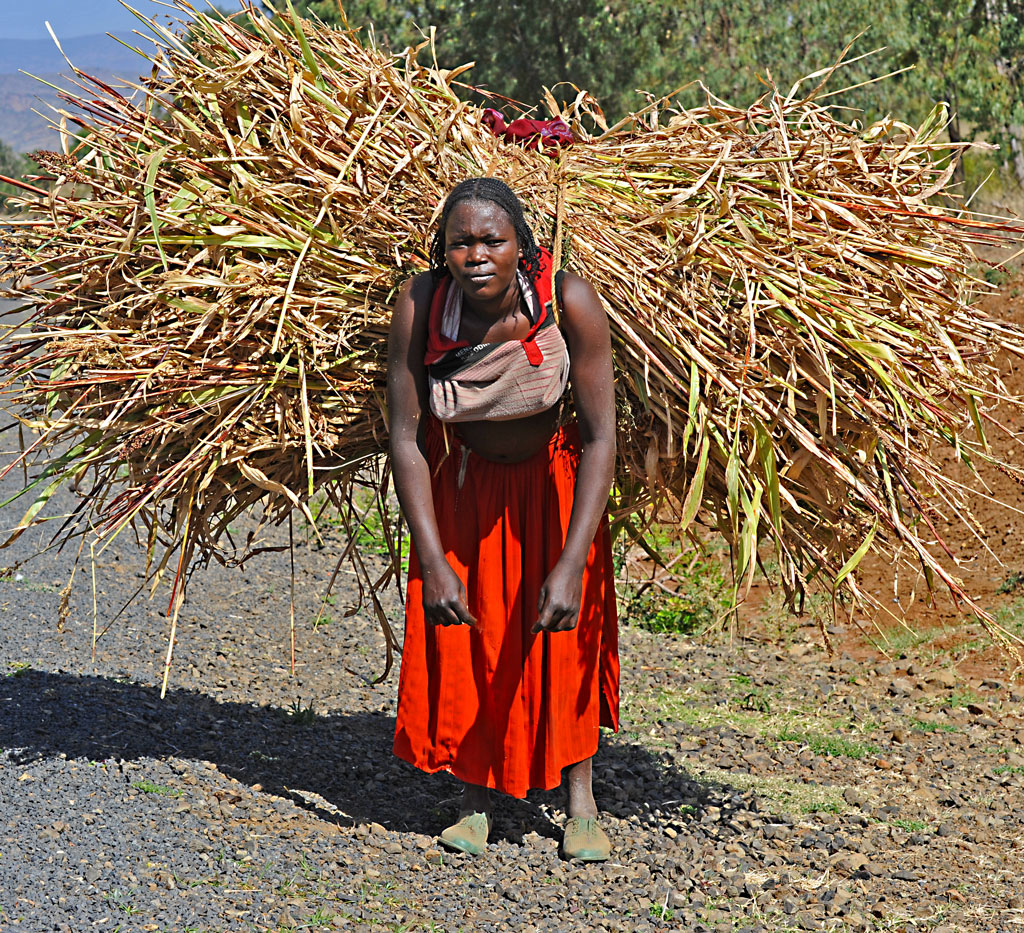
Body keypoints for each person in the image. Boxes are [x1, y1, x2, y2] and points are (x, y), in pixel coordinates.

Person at [386, 177, 619, 861]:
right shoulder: (423, 305)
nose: (477, 254)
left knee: (563, 635)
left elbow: (602, 435)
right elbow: (404, 435)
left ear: (523, 247)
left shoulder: (566, 302)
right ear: (443, 251)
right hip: (466, 489)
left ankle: (580, 803)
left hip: (555, 488)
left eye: (493, 239)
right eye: (461, 242)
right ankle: (474, 798)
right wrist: (432, 563)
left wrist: (572, 561)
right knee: (470, 636)